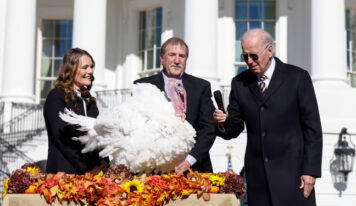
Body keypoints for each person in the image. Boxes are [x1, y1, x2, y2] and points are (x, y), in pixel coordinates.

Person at [213, 29, 322, 206]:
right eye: (244, 56)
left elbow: (313, 129)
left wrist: (310, 171)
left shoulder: (298, 78)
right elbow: (234, 127)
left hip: (294, 178)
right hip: (257, 181)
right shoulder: (239, 83)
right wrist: (223, 122)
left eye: (254, 56)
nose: (249, 61)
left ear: (269, 50)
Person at [134, 37, 216, 173]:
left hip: (194, 169)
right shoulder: (142, 86)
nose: (177, 60)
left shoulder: (201, 87)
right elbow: (137, 128)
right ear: (162, 58)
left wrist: (189, 160)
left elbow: (208, 128)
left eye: (182, 56)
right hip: (154, 171)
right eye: (172, 55)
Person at [44, 48, 109, 174]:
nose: (90, 71)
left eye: (92, 67)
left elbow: (98, 137)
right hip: (64, 176)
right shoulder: (56, 96)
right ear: (71, 69)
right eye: (85, 67)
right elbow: (62, 137)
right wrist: (86, 170)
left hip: (92, 178)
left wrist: (104, 166)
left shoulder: (89, 101)